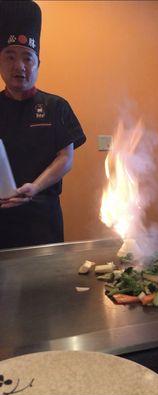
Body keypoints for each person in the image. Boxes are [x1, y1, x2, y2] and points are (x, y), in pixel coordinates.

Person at [0, 0, 86, 249]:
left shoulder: (56, 106)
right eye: (10, 57)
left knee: (47, 285)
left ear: (38, 64)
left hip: (42, 220)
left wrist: (35, 187)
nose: (20, 66)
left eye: (28, 58)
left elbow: (65, 158)